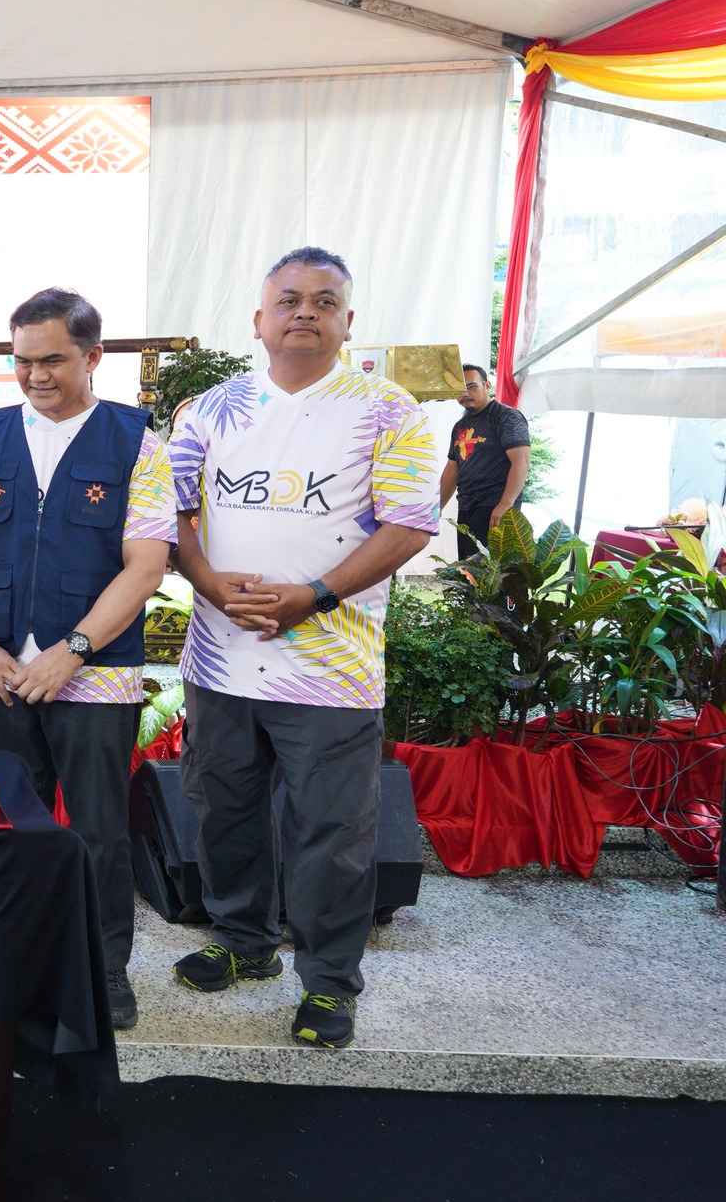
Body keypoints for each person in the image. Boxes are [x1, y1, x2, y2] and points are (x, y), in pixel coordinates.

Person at [166, 247, 440, 1051]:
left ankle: (327, 981)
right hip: (220, 658)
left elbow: (409, 525)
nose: (305, 313)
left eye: (324, 302)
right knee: (223, 810)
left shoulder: (388, 411)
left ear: (347, 322)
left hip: (331, 668)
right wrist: (207, 582)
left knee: (332, 832)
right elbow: (173, 513)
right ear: (259, 320)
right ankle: (241, 939)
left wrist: (313, 595)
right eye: (288, 300)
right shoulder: (207, 410)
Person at [0, 289, 173, 1031]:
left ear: (93, 357)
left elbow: (145, 565)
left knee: (98, 830)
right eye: (23, 361)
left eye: (53, 360)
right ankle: (11, 960)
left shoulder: (137, 442)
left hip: (95, 671)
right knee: (3, 820)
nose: (35, 375)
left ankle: (104, 970)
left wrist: (72, 651)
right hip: (0, 668)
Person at [439, 365, 530, 557]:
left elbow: (521, 462)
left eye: (472, 386)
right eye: (459, 390)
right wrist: (436, 507)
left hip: (496, 508)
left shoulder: (507, 416)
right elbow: (452, 469)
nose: (465, 394)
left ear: (486, 385)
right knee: (468, 569)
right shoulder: (460, 427)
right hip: (467, 507)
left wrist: (506, 504)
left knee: (495, 572)